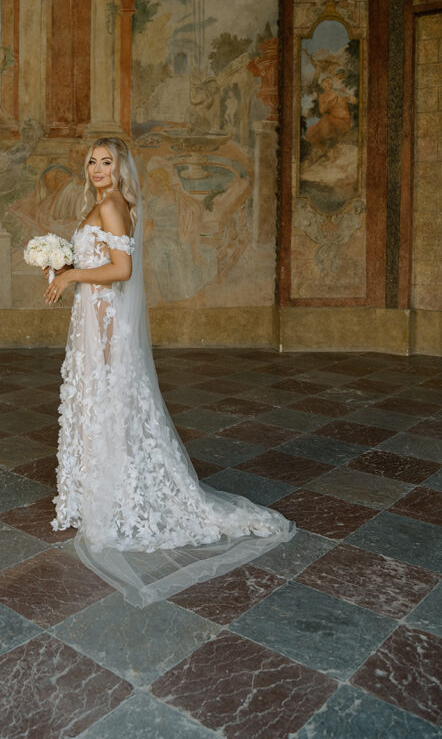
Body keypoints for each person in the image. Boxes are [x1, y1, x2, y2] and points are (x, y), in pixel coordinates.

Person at [43, 136, 294, 607]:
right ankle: (108, 494)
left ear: (121, 169)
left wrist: (72, 275)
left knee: (110, 408)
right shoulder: (102, 203)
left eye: (107, 162)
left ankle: (121, 503)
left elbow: (120, 270)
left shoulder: (114, 204)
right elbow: (101, 261)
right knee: (102, 410)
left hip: (108, 329)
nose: (98, 169)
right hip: (95, 325)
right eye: (93, 162)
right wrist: (62, 265)